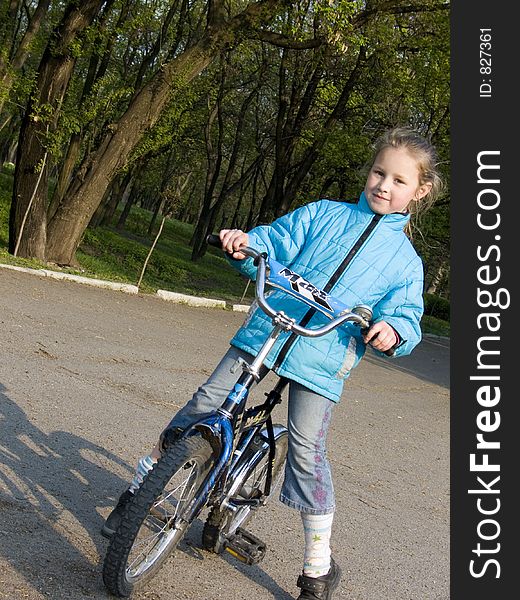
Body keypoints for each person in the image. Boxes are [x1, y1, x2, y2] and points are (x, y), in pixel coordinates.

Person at [102, 126, 443, 599]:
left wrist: (394, 331)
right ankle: (139, 493)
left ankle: (318, 566)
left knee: (306, 449)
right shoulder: (325, 214)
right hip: (269, 328)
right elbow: (274, 242)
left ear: (420, 191)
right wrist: (247, 245)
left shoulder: (406, 262)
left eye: (399, 181)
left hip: (323, 356)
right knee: (206, 403)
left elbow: (406, 316)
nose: (384, 185)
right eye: (378, 172)